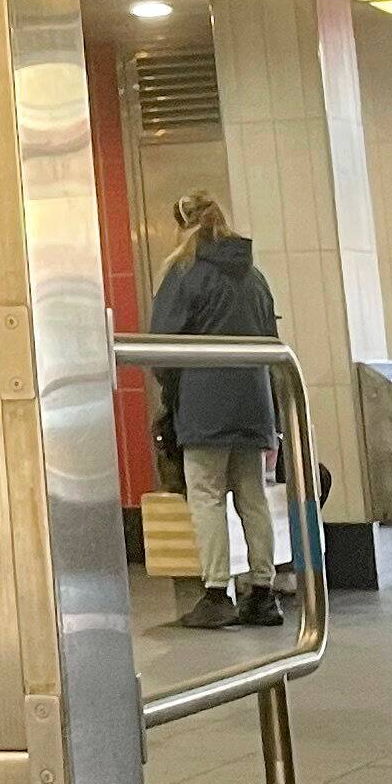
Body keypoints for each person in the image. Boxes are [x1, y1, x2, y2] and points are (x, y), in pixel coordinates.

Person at [148, 193, 288, 630]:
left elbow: (162, 349)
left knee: (206, 496)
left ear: (184, 227)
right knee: (252, 496)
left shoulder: (184, 273)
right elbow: (271, 343)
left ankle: (215, 593)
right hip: (254, 401)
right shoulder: (256, 277)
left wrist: (172, 398)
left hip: (204, 404)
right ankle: (263, 593)